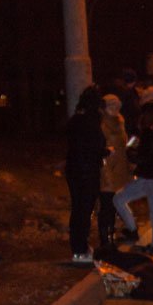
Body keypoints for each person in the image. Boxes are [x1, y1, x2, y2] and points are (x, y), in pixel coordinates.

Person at [114, 97, 153, 254]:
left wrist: (129, 151)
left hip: (148, 178)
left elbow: (141, 157)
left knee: (119, 198)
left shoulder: (148, 133)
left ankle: (132, 229)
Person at [64, 87, 107, 263]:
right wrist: (105, 152)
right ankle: (80, 250)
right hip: (87, 171)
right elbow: (94, 148)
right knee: (84, 210)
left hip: (74, 170)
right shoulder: (92, 122)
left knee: (77, 210)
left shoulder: (75, 120)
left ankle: (78, 246)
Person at [99, 93, 131, 252]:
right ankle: (105, 238)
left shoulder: (120, 121)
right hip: (106, 167)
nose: (115, 109)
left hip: (120, 167)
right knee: (107, 204)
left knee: (116, 203)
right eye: (111, 106)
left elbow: (123, 143)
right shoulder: (101, 123)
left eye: (117, 106)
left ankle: (111, 234)